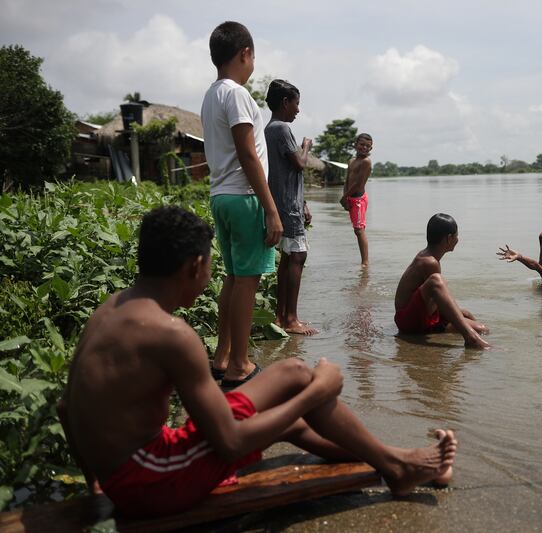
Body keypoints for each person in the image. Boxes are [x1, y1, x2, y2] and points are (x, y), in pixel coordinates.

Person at [56, 206, 458, 519]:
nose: (210, 273)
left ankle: (394, 460)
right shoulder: (171, 333)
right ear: (194, 266)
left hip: (130, 473)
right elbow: (229, 444)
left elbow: (65, 408)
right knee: (298, 401)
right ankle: (399, 465)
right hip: (151, 482)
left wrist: (97, 485)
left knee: (292, 373)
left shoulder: (110, 310)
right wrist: (317, 392)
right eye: (209, 265)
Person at [201, 21, 282, 389]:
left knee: (234, 278)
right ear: (245, 54)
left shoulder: (211, 94)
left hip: (221, 196)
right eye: (253, 57)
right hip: (244, 197)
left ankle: (222, 357)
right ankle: (239, 365)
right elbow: (248, 155)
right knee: (247, 281)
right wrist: (271, 209)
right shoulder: (236, 94)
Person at [264, 79, 317, 335]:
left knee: (288, 258)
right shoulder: (282, 128)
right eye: (296, 103)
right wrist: (306, 145)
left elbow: (285, 171)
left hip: (284, 202)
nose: (298, 109)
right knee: (298, 256)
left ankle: (282, 316)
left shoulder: (269, 128)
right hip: (287, 205)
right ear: (285, 103)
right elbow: (299, 164)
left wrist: (303, 201)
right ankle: (291, 319)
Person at [394, 213, 490, 349]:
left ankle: (473, 335)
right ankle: (471, 338)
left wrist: (459, 315)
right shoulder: (429, 262)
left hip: (420, 317)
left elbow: (436, 302)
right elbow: (437, 293)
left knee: (480, 326)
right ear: (449, 239)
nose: (458, 240)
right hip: (409, 323)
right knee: (436, 280)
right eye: (456, 236)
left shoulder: (430, 257)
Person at [339, 133, 373, 267]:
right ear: (355, 145)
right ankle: (364, 261)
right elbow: (347, 180)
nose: (364, 148)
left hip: (359, 199)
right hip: (350, 197)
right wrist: (345, 197)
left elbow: (359, 184)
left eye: (368, 146)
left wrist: (344, 197)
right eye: (362, 144)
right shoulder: (352, 160)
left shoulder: (366, 162)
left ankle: (365, 262)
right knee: (356, 230)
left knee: (359, 230)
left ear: (371, 149)